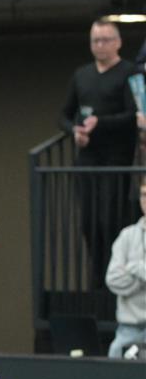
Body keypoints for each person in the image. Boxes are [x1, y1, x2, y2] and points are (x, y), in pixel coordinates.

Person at [60, 19, 139, 285]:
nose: (100, 45)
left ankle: (114, 275)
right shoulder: (81, 75)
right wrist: (74, 131)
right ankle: (97, 278)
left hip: (116, 158)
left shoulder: (129, 72)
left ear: (118, 43)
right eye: (95, 40)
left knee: (110, 219)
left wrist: (100, 123)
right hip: (87, 158)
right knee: (89, 222)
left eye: (106, 40)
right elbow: (63, 115)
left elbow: (133, 115)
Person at [105, 176, 146, 358]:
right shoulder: (127, 236)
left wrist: (134, 268)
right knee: (115, 357)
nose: (145, 200)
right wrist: (142, 276)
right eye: (143, 195)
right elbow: (113, 280)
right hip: (128, 329)